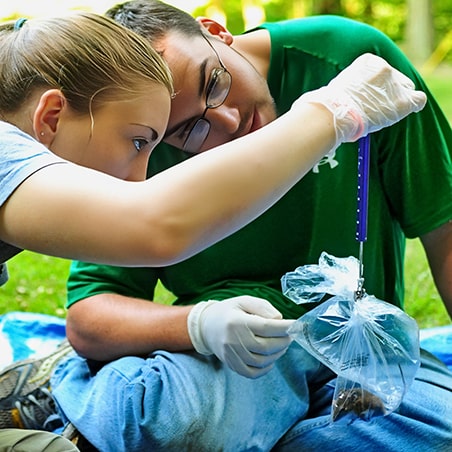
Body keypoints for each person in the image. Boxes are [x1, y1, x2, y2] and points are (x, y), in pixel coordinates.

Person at [0, 7, 429, 452]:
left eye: (215, 82)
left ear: (219, 35)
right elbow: (153, 224)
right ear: (50, 117)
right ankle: (69, 391)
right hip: (222, 374)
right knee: (157, 425)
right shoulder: (5, 153)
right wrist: (330, 113)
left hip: (338, 358)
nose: (140, 176)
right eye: (140, 142)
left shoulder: (334, 49)